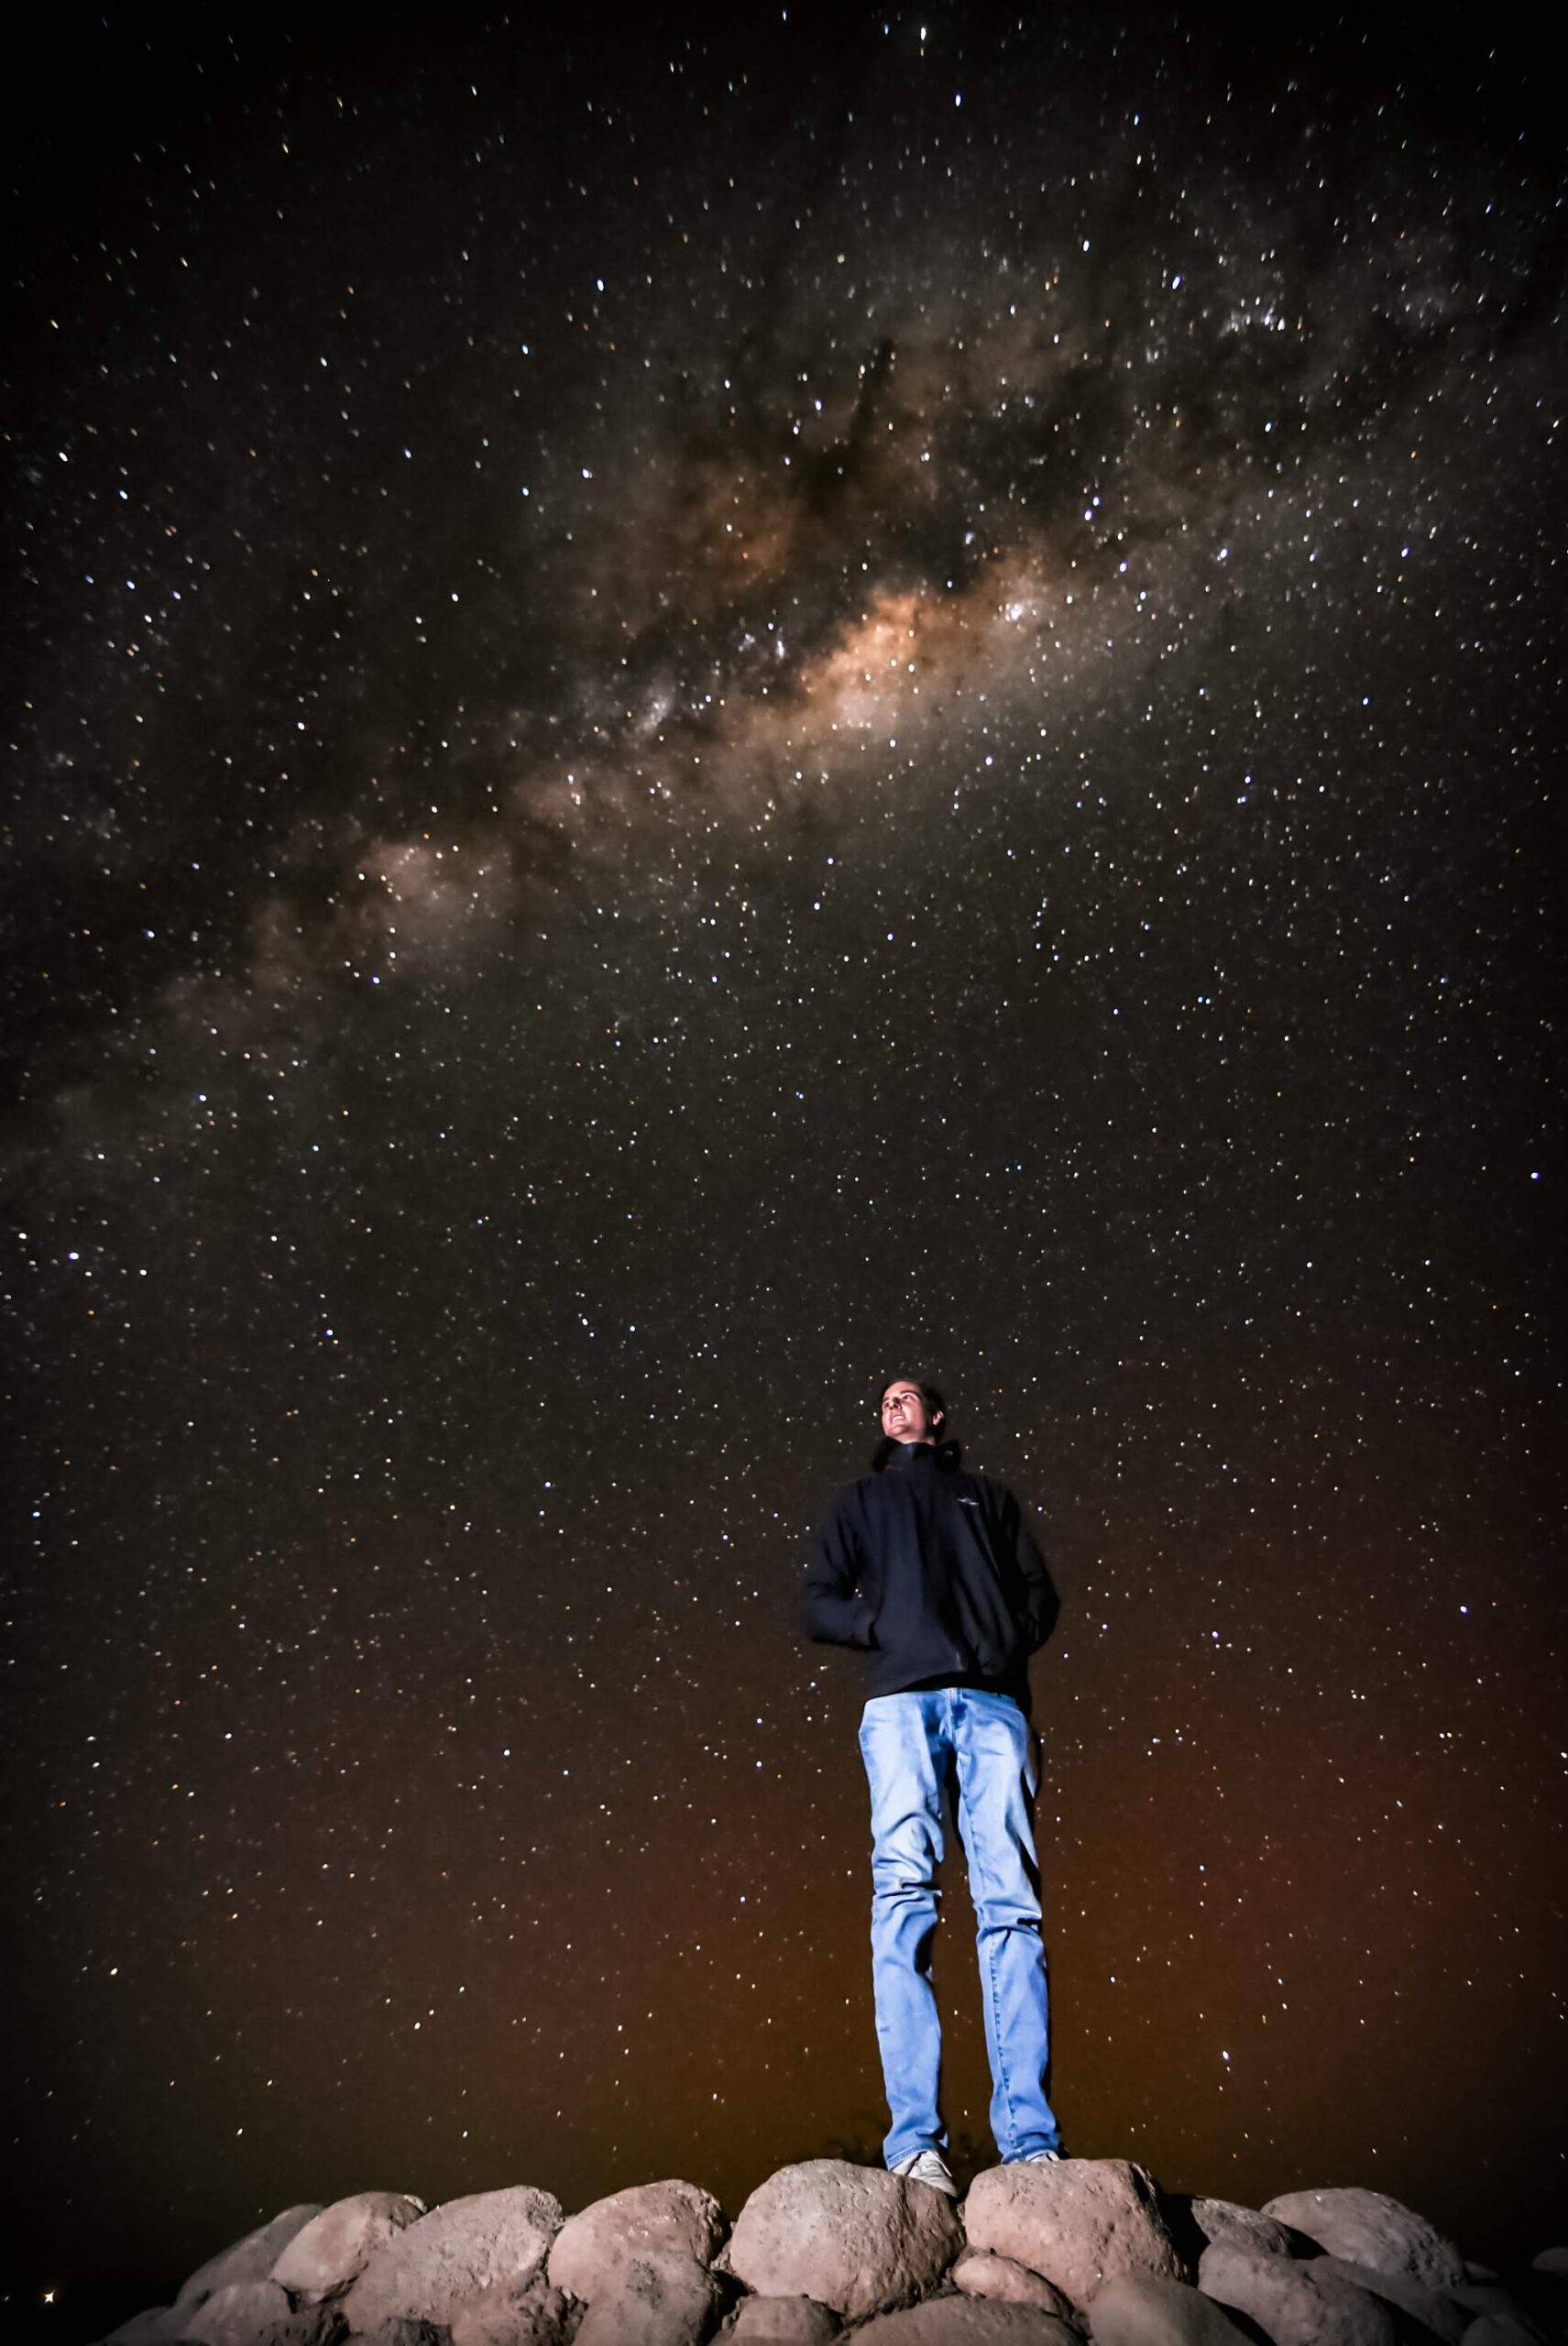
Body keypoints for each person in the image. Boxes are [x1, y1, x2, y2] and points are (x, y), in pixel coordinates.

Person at [800, 1374, 1066, 2196]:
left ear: (937, 1415)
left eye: (907, 1394)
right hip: (899, 1708)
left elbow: (1038, 1594)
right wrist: (880, 1625)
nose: (892, 1403)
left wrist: (1001, 1640)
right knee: (902, 1897)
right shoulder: (858, 1501)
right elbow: (814, 1601)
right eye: (883, 1398)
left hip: (991, 1705)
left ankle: (1029, 2142)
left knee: (1010, 1907)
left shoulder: (987, 1498)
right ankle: (915, 2144)